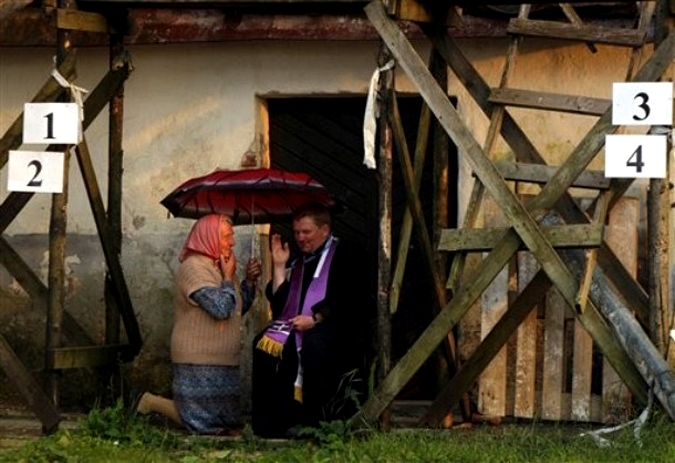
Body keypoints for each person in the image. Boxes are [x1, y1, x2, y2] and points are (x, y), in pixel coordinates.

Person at [252, 202, 375, 438]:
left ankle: (320, 421)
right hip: (303, 327)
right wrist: (278, 267)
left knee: (314, 343)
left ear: (324, 230)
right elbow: (282, 307)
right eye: (296, 232)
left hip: (340, 327)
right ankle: (274, 424)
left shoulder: (348, 252)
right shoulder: (299, 262)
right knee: (263, 343)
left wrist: (318, 317)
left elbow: (355, 296)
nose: (300, 237)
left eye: (306, 232)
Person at [133, 213, 262, 435]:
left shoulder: (219, 267)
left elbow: (236, 309)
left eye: (231, 236)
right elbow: (220, 309)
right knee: (200, 422)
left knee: (227, 422)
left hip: (224, 358)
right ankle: (151, 402)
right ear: (208, 237)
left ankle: (151, 402)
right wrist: (228, 278)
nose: (232, 242)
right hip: (199, 358)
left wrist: (249, 282)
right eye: (226, 237)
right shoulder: (194, 268)